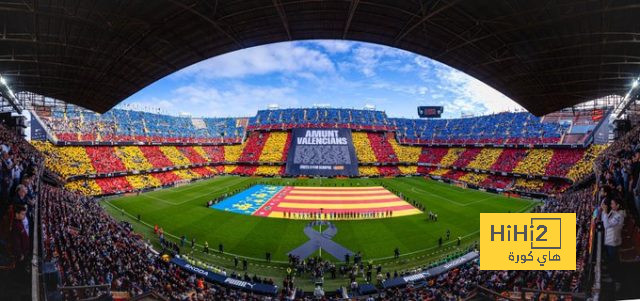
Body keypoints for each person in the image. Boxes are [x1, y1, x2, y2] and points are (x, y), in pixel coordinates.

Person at [601, 199, 624, 278]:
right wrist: (604, 212)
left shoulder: (619, 215)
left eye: (613, 204)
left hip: (613, 240)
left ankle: (615, 279)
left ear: (618, 205)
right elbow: (604, 220)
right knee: (610, 259)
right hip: (609, 238)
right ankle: (611, 275)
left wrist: (604, 212)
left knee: (613, 260)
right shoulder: (613, 212)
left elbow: (606, 225)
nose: (611, 205)